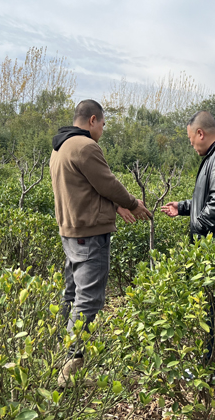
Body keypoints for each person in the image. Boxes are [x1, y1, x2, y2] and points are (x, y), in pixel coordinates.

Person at [50, 99, 152, 386]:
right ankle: (70, 369)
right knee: (88, 300)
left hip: (71, 231)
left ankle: (58, 353)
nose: (103, 130)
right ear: (93, 120)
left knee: (72, 294)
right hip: (89, 234)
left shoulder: (61, 146)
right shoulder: (85, 146)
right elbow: (107, 182)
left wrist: (113, 206)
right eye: (104, 124)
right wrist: (131, 203)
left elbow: (87, 188)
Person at [161, 110, 215, 362]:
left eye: (191, 140)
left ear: (201, 133)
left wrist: (195, 229)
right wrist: (183, 207)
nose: (192, 146)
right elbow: (211, 198)